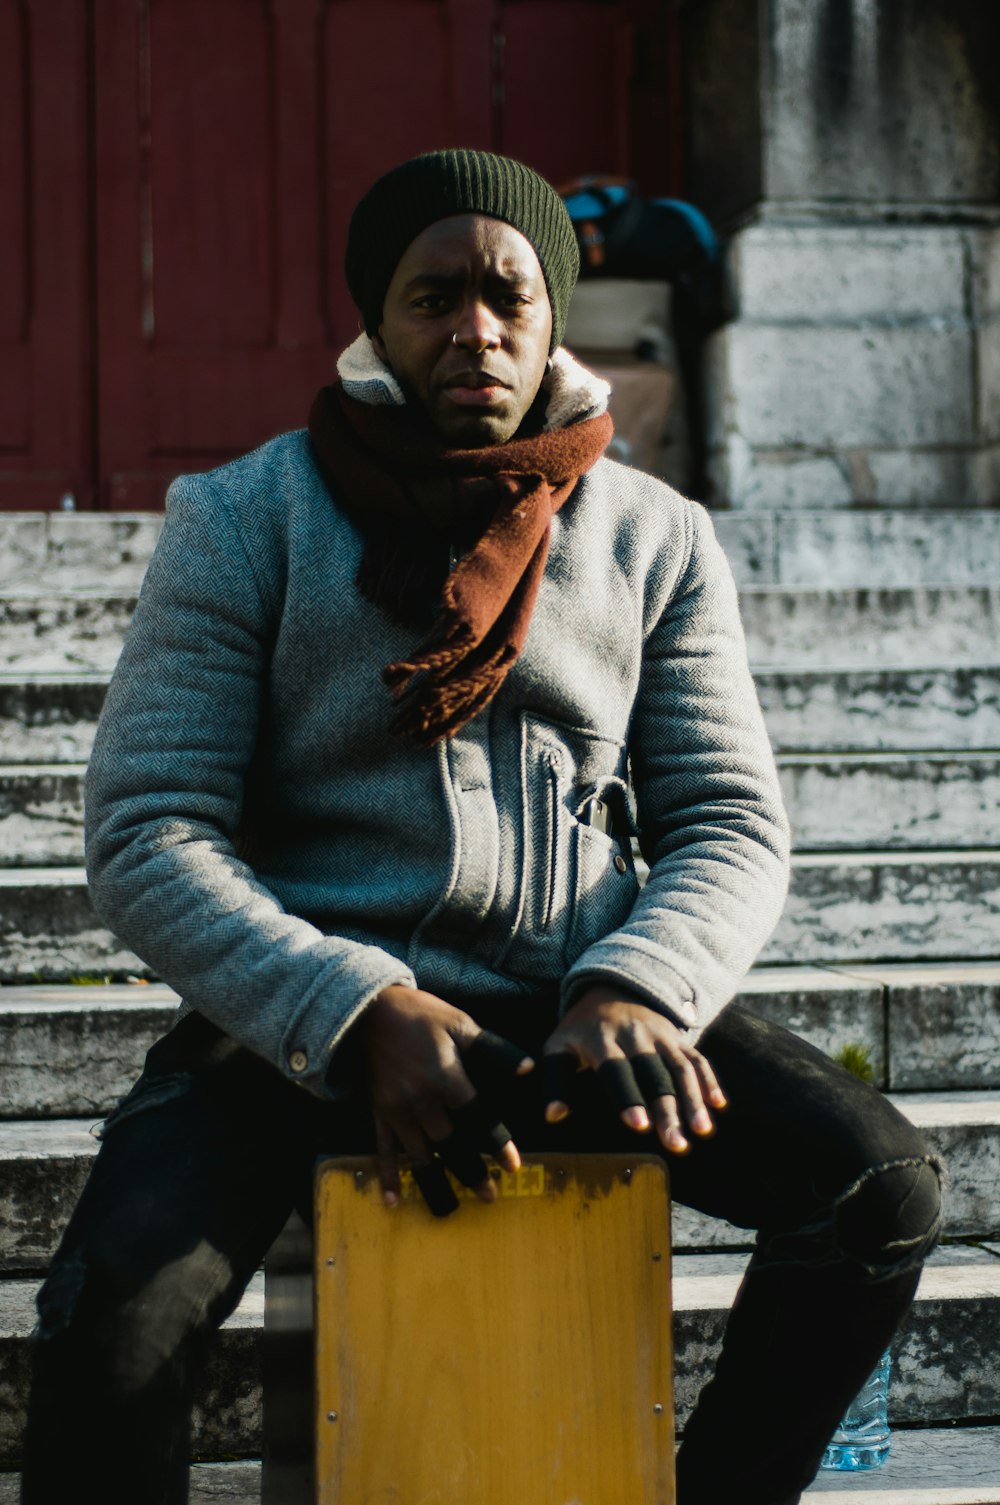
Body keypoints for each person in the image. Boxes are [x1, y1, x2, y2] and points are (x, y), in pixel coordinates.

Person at [21, 150, 942, 1505]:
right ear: (375, 324)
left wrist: (639, 982)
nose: (476, 328)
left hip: (574, 1002)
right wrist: (352, 1004)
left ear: (553, 315)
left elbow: (734, 820)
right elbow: (149, 826)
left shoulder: (658, 536)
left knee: (881, 1189)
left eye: (509, 294)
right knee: (108, 1324)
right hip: (305, 1020)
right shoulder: (243, 517)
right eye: (433, 295)